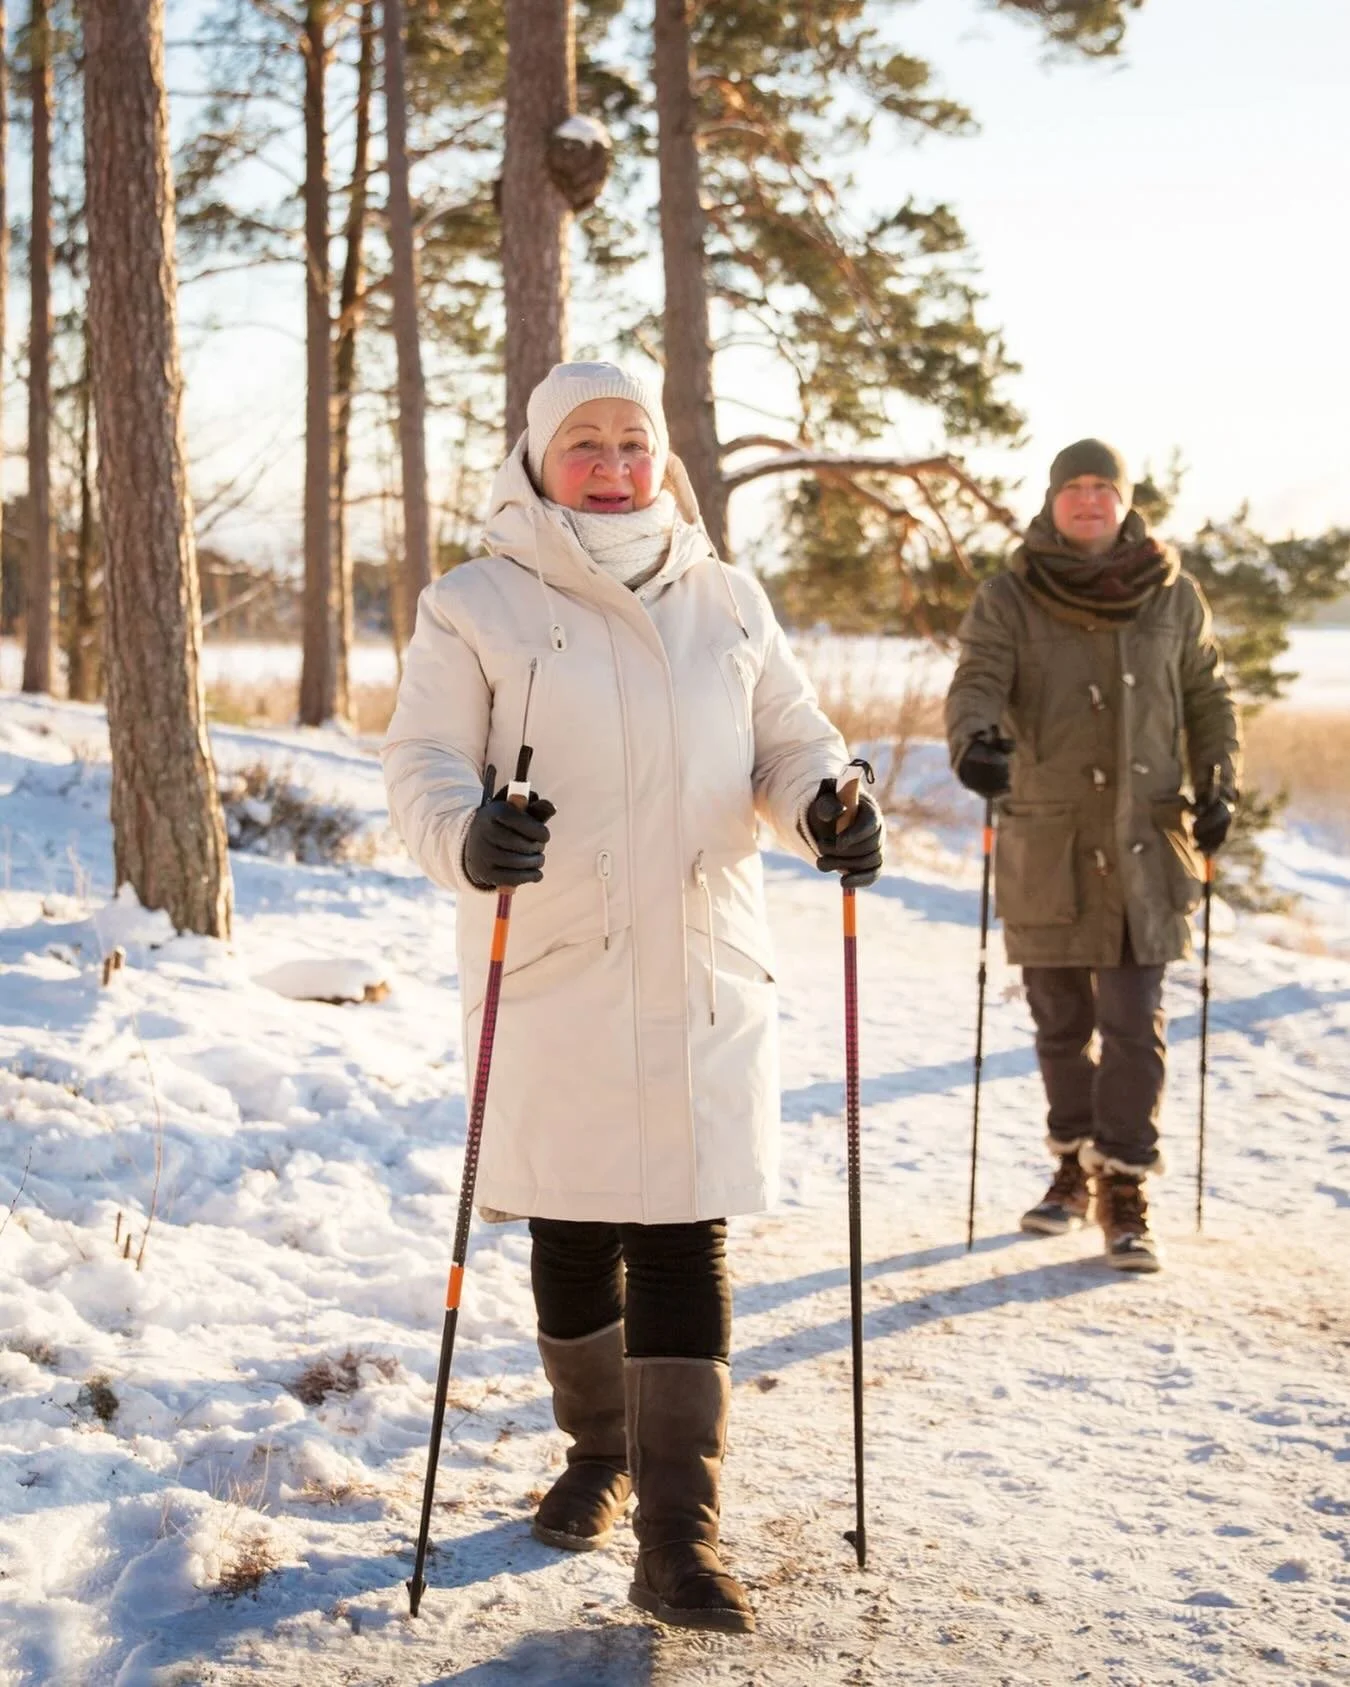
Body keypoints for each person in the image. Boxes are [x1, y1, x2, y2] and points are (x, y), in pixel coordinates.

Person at [382, 362, 883, 1634]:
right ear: (538, 460)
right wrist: (467, 835)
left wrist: (826, 806)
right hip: (556, 959)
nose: (612, 465)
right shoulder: (475, 602)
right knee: (571, 1226)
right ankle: (597, 1449)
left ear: (663, 458)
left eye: (632, 442)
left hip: (704, 961)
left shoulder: (727, 597)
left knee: (682, 1232)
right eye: (585, 443)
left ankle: (678, 1535)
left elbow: (790, 741)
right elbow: (423, 761)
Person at [945, 438, 1241, 1272]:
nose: (1086, 500)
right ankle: (1073, 1167)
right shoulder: (1009, 595)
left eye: (1101, 488)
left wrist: (1220, 780)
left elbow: (1209, 694)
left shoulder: (1172, 593)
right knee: (1061, 1023)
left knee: (1134, 1023)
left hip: (1145, 842)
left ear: (1124, 500)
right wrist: (975, 742)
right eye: (1072, 487)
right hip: (1050, 841)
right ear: (1051, 501)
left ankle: (1125, 1183)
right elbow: (976, 680)